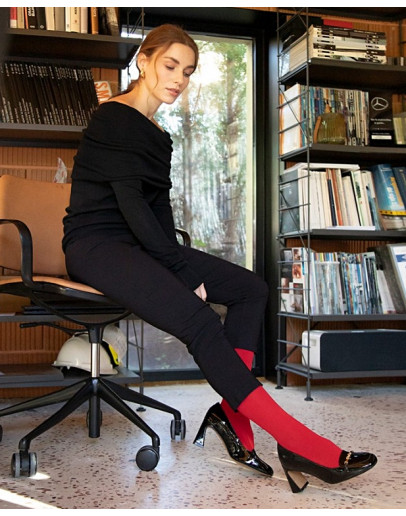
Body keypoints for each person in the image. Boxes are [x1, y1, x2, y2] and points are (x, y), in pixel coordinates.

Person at [62, 23, 377, 493]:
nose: (179, 79)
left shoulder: (158, 134)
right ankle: (300, 443)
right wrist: (181, 272)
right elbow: (131, 207)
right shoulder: (113, 117)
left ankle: (231, 414)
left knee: (251, 289)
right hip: (97, 246)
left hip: (139, 242)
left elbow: (158, 213)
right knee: (201, 321)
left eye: (188, 72)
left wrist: (178, 261)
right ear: (143, 61)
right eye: (170, 66)